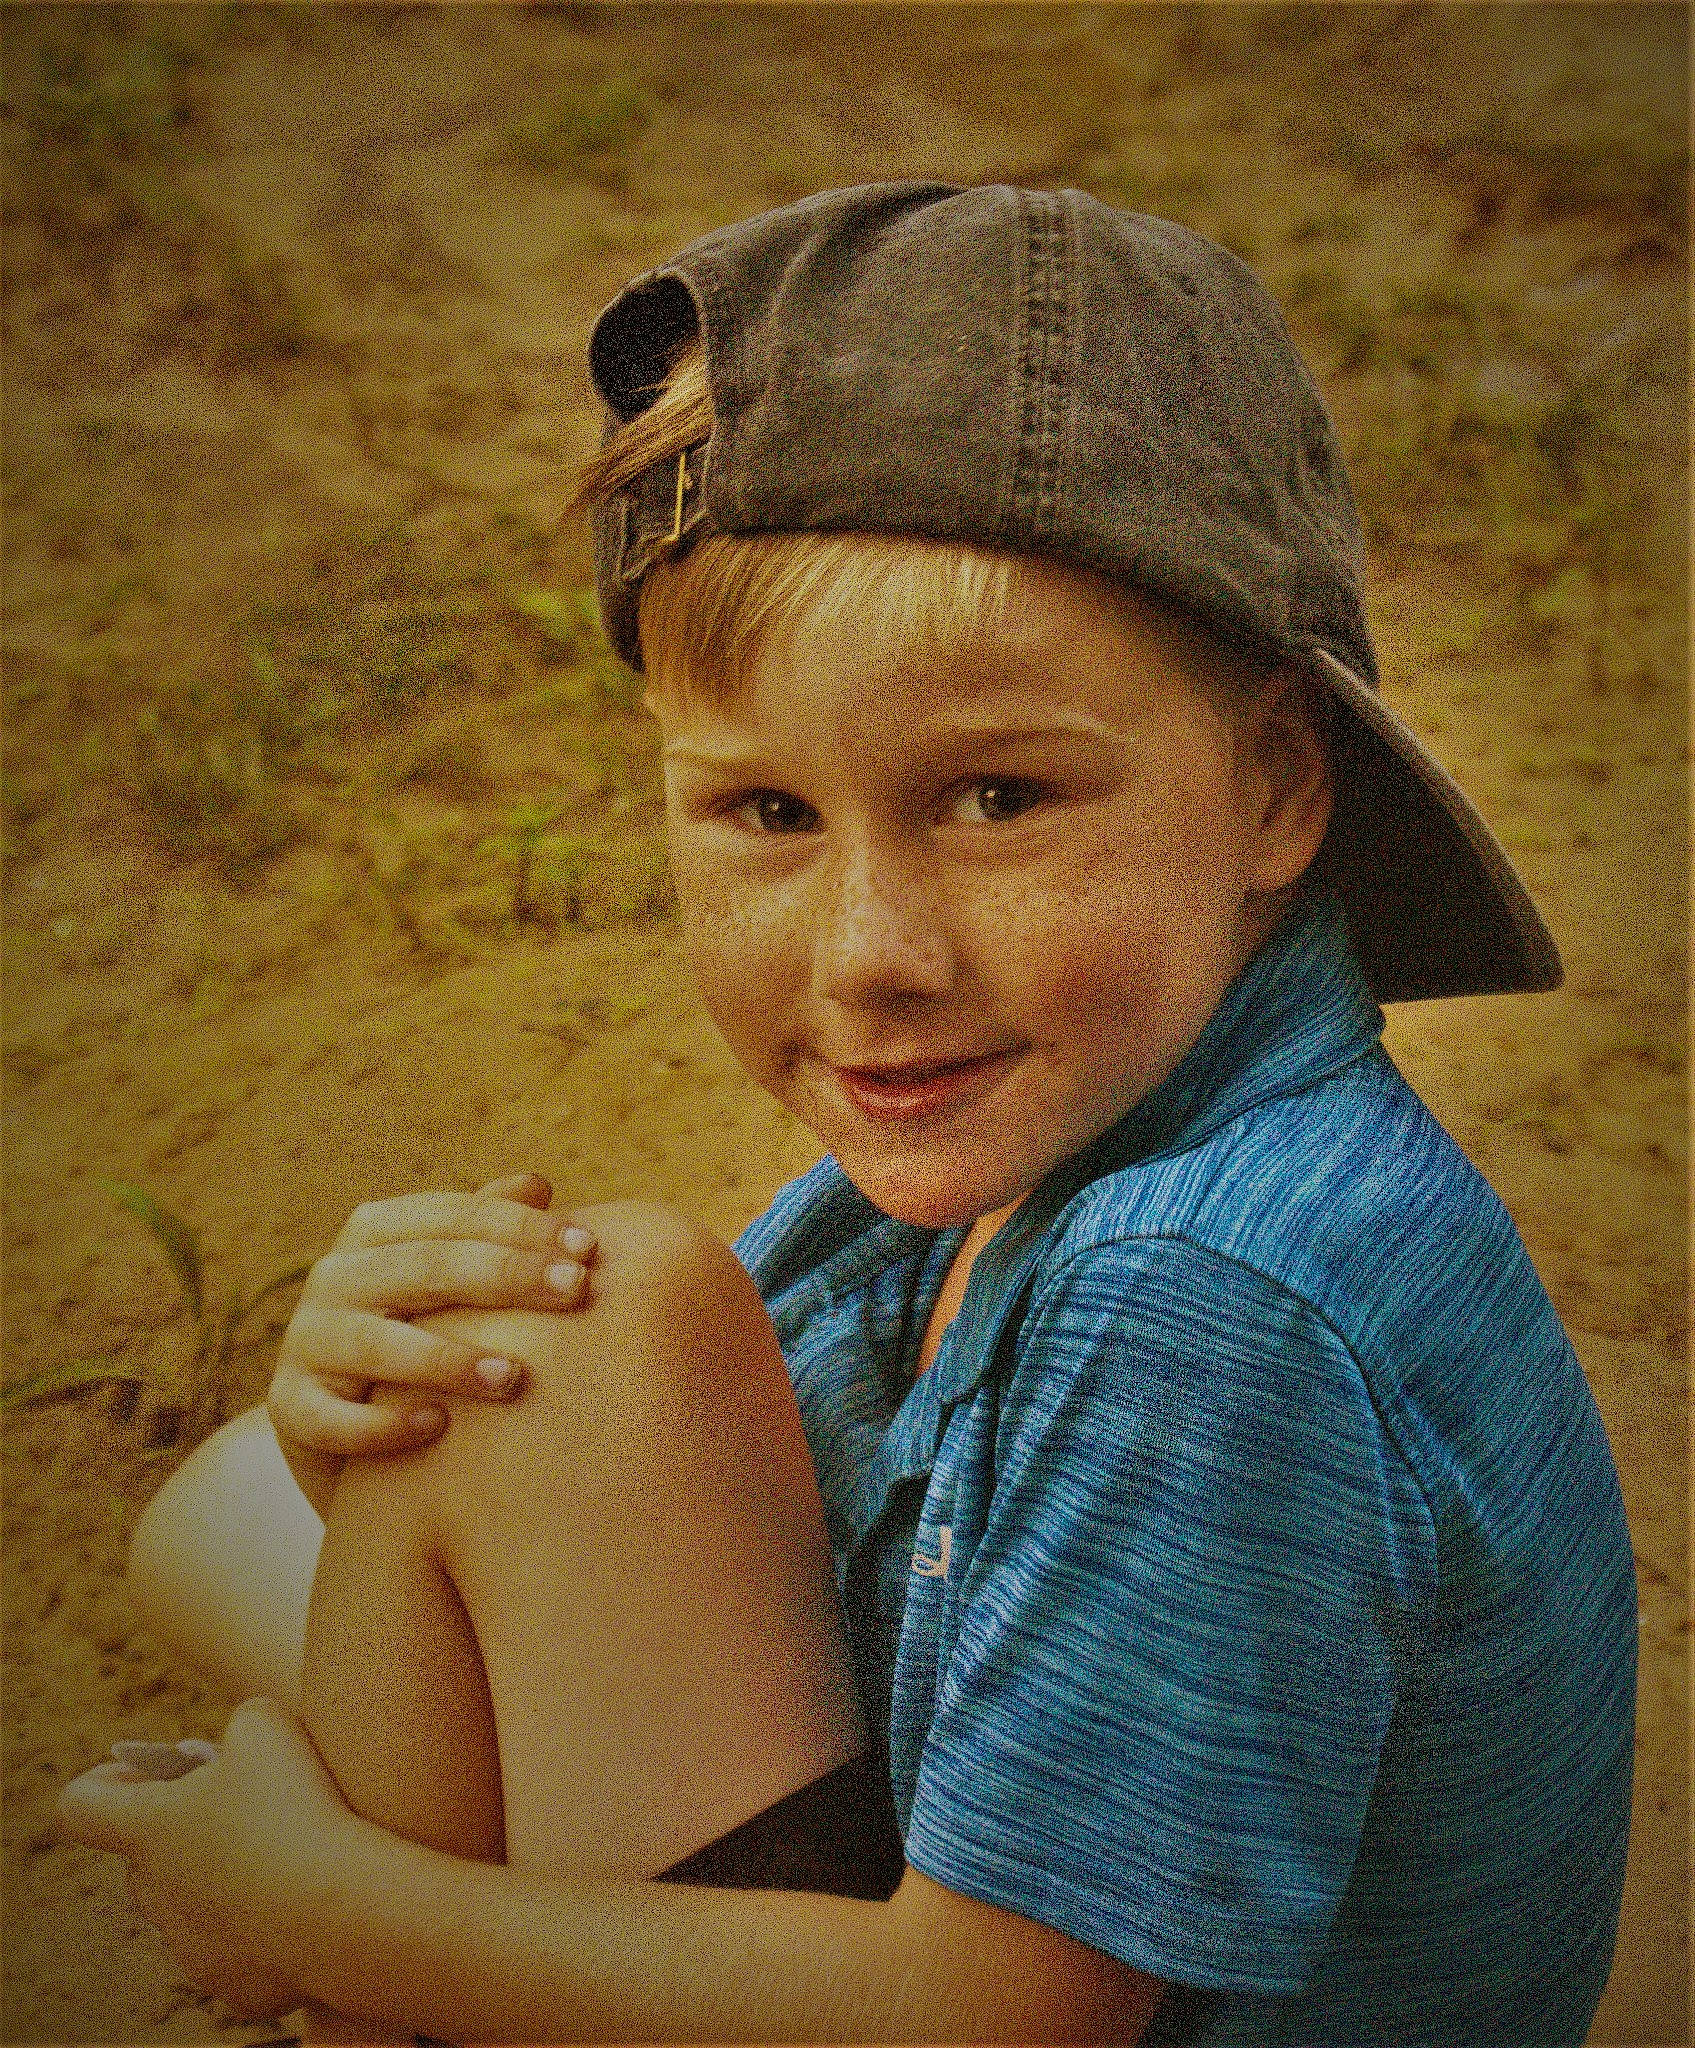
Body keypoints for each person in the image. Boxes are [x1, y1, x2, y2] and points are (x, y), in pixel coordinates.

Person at [59, 183, 1637, 2045]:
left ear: (1280, 788)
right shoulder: (1058, 1119)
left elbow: (992, 2017)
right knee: (405, 1425)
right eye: (770, 814)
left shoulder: (1210, 1304)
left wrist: (328, 1911)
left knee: (438, 1521)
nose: (871, 954)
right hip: (936, 1855)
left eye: (998, 800)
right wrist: (373, 1421)